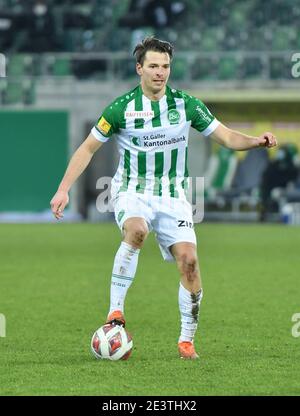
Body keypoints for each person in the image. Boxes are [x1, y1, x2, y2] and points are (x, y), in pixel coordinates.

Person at [50, 37, 277, 359]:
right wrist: (63, 188)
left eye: (166, 66)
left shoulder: (187, 105)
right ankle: (116, 312)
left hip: (173, 196)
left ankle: (186, 340)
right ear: (139, 68)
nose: (160, 72)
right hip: (132, 190)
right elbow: (87, 148)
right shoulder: (120, 109)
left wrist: (256, 141)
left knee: (190, 262)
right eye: (154, 66)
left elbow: (225, 136)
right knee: (137, 230)